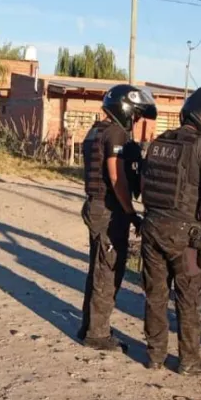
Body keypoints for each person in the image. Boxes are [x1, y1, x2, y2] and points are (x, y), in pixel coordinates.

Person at [140, 86, 201, 376]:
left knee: (156, 295)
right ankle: (189, 360)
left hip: (152, 228)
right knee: (188, 297)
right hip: (183, 236)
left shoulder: (160, 141)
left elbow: (145, 186)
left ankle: (155, 355)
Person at [77, 84, 157, 351]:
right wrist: (130, 212)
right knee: (108, 271)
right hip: (108, 209)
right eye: (135, 115)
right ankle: (97, 334)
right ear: (124, 109)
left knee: (97, 268)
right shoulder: (115, 134)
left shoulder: (95, 130)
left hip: (95, 205)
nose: (135, 121)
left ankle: (89, 325)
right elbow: (115, 176)